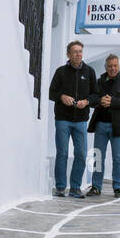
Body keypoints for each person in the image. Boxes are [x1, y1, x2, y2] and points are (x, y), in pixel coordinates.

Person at [48, 41, 96, 198]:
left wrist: (87, 101)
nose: (78, 54)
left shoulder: (89, 72)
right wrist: (62, 97)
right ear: (68, 55)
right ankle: (60, 187)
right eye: (75, 51)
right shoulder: (61, 72)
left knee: (81, 154)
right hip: (63, 119)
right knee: (62, 152)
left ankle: (75, 187)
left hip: (81, 120)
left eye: (80, 51)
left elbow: (95, 96)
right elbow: (51, 93)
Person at [87, 53, 120, 197]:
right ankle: (96, 187)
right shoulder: (99, 81)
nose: (112, 68)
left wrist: (113, 101)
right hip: (101, 125)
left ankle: (118, 187)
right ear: (106, 67)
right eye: (110, 66)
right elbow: (93, 98)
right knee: (97, 157)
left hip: (118, 127)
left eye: (115, 66)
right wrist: (100, 100)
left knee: (118, 158)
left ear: (119, 66)